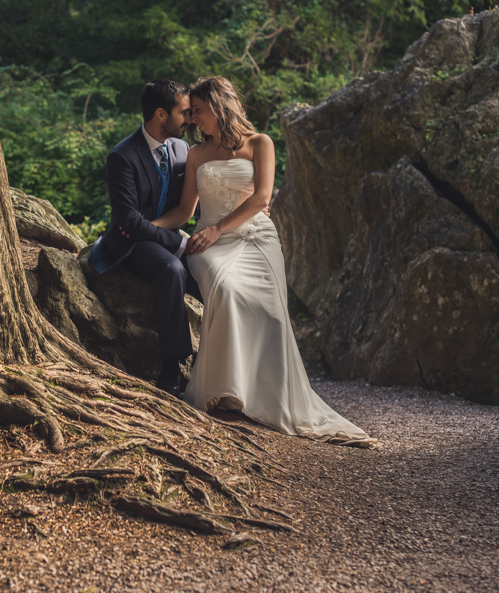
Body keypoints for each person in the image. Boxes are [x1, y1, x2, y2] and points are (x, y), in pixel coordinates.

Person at [151, 76, 373, 443]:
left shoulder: (260, 143)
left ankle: (264, 395)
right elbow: (183, 211)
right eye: (189, 115)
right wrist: (142, 226)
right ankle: (223, 392)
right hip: (211, 245)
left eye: (198, 112)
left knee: (269, 311)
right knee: (226, 288)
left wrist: (218, 228)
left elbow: (261, 199)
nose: (192, 121)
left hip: (254, 237)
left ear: (220, 106)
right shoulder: (196, 154)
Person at [88, 79, 199, 396]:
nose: (189, 118)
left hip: (160, 233)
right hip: (130, 245)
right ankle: (171, 368)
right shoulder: (122, 156)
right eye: (184, 112)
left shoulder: (181, 148)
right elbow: (130, 224)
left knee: (216, 275)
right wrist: (178, 243)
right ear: (161, 114)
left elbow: (192, 203)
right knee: (172, 269)